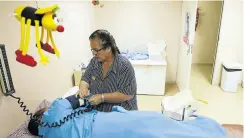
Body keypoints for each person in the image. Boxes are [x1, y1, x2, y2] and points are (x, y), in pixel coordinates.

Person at [27, 93, 228, 138]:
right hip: (103, 124)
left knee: (149, 131)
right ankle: (205, 131)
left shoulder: (49, 135)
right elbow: (73, 99)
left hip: (100, 132)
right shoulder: (52, 114)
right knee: (153, 122)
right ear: (40, 115)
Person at [78, 29, 138, 112]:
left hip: (121, 113)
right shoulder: (94, 62)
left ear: (108, 48)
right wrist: (83, 88)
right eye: (92, 50)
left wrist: (102, 97)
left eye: (96, 50)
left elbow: (127, 94)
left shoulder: (124, 65)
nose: (94, 53)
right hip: (98, 112)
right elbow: (85, 79)